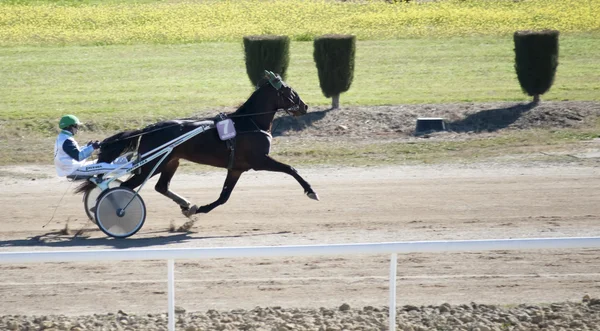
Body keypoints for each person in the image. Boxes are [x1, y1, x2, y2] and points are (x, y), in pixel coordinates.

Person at [54, 115, 130, 178]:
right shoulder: (67, 140)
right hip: (74, 170)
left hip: (73, 167)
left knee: (101, 162)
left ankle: (124, 161)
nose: (77, 129)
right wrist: (92, 147)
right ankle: (130, 167)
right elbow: (79, 156)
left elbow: (74, 152)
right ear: (70, 127)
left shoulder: (63, 137)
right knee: (103, 166)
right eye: (77, 126)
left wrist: (87, 146)